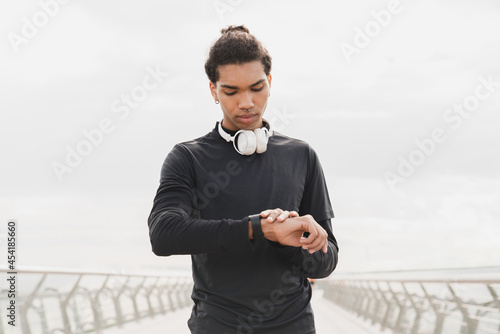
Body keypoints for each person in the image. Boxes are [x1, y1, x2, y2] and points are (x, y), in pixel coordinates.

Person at [148, 25, 339, 334]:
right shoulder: (187, 157)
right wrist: (259, 228)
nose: (247, 102)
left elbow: (326, 262)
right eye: (231, 91)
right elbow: (163, 235)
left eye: (256, 87)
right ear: (213, 90)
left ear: (270, 82)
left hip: (294, 326)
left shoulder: (302, 156)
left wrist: (297, 244)